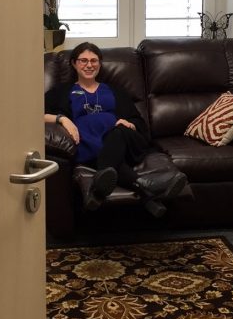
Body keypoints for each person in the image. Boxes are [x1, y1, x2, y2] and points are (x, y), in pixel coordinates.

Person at [44, 42, 187, 214]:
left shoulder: (114, 91)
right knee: (111, 162)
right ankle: (148, 191)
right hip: (88, 143)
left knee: (117, 135)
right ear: (74, 64)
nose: (89, 65)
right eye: (83, 60)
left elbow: (138, 122)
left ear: (100, 63)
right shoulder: (62, 91)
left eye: (94, 60)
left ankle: (96, 189)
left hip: (122, 139)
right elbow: (35, 114)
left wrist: (129, 124)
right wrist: (62, 119)